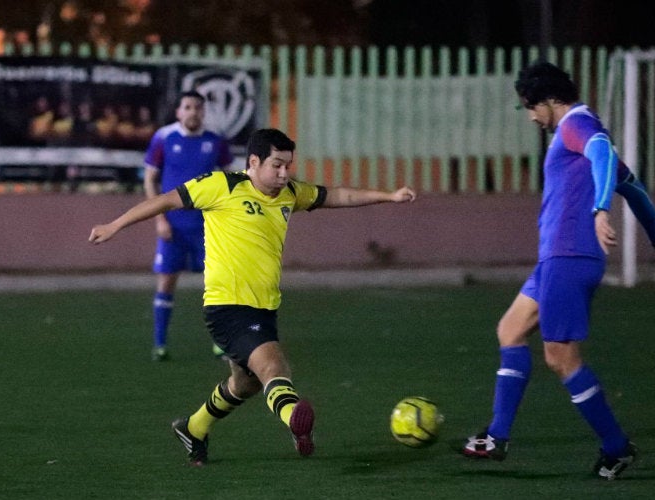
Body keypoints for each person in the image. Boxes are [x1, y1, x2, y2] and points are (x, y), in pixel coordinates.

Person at [89, 127, 416, 465]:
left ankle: (194, 427)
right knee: (274, 366)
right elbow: (164, 200)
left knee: (244, 384)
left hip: (263, 310)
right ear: (254, 161)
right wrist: (114, 225)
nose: (283, 173)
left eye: (287, 166)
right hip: (227, 308)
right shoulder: (221, 186)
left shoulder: (289, 193)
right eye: (276, 165)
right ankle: (295, 420)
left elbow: (337, 196)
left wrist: (389, 196)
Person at [462, 61, 655, 480]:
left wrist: (598, 211)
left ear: (549, 100)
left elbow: (597, 148)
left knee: (561, 357)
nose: (530, 116)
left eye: (530, 107)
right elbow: (634, 189)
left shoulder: (577, 124)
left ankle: (616, 447)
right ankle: (497, 435)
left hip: (569, 256)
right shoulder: (579, 135)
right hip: (556, 258)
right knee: (510, 329)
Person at [143, 90, 234, 361]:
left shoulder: (215, 140)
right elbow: (150, 179)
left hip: (207, 225)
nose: (193, 112)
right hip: (173, 226)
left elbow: (231, 181)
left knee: (216, 283)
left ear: (203, 112)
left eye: (198, 107)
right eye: (187, 107)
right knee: (167, 281)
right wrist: (159, 218)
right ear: (178, 112)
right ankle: (160, 344)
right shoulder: (164, 137)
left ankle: (220, 342)